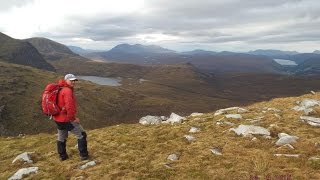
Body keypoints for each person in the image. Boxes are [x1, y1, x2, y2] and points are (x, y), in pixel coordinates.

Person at [53, 73, 89, 161]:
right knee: (82, 134)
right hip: (66, 119)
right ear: (66, 80)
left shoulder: (59, 89)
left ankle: (62, 156)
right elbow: (69, 106)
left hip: (58, 118)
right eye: (71, 80)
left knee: (61, 137)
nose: (73, 82)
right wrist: (73, 119)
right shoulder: (67, 91)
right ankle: (84, 155)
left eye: (74, 81)